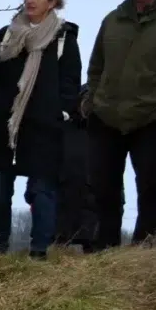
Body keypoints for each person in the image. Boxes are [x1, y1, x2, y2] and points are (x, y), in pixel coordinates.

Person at [0, 0, 82, 259]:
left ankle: (39, 250)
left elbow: (70, 82)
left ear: (52, 2)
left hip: (43, 127)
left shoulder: (63, 39)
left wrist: (62, 112)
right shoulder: (7, 34)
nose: (30, 0)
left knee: (42, 189)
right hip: (1, 126)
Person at [84, 0, 156, 249]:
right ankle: (106, 247)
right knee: (104, 187)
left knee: (150, 188)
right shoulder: (113, 19)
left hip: (152, 117)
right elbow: (96, 66)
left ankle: (144, 248)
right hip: (106, 116)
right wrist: (91, 102)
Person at [55, 84, 101, 253]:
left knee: (97, 260)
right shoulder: (62, 128)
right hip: (63, 200)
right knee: (54, 261)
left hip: (93, 203)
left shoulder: (106, 134)